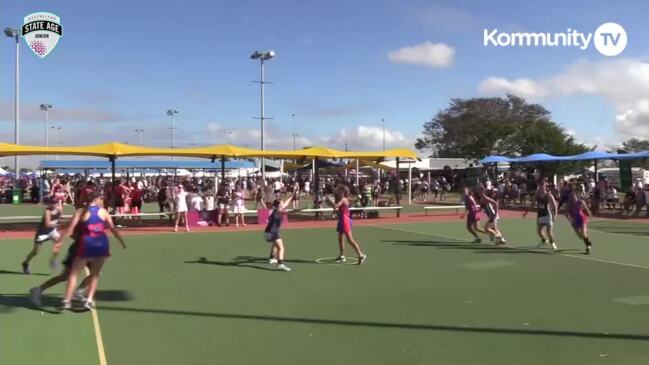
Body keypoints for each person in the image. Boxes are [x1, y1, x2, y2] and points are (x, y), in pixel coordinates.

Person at [60, 190, 126, 310]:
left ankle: (67, 300)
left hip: (87, 244)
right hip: (101, 244)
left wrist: (60, 241)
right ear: (96, 199)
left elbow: (70, 228)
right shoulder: (103, 212)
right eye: (101, 199)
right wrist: (122, 242)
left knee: (74, 273)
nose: (102, 201)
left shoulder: (81, 211)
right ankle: (89, 300)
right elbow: (113, 229)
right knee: (95, 274)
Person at [22, 197, 62, 274]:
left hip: (52, 231)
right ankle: (25, 263)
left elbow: (58, 219)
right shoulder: (47, 211)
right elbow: (47, 224)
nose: (53, 204)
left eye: (55, 202)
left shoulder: (59, 209)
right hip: (42, 234)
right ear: (49, 203)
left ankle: (53, 260)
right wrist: (59, 225)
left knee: (59, 242)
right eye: (52, 202)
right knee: (36, 251)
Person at [333, 185, 367, 264]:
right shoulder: (344, 199)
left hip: (345, 220)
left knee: (350, 240)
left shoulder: (343, 199)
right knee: (340, 238)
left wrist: (329, 201)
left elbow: (336, 206)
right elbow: (350, 201)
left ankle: (361, 255)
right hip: (342, 219)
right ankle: (342, 255)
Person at [264, 195, 294, 271]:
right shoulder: (278, 211)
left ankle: (271, 258)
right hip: (272, 233)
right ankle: (280, 264)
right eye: (282, 203)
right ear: (279, 205)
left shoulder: (276, 209)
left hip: (267, 233)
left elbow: (286, 204)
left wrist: (292, 196)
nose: (283, 204)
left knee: (275, 244)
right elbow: (290, 212)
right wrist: (300, 210)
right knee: (281, 248)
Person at [525, 181, 558, 250]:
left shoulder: (548, 195)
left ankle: (552, 243)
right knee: (539, 231)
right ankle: (544, 240)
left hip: (547, 215)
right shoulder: (537, 195)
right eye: (539, 185)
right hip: (540, 215)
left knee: (549, 232)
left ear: (545, 186)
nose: (540, 187)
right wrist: (526, 212)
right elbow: (532, 204)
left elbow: (555, 205)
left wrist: (555, 214)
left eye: (542, 185)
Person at [566, 189, 593, 255]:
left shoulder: (580, 202)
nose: (572, 197)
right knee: (580, 236)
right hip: (575, 221)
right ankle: (588, 240)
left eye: (574, 196)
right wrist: (570, 219)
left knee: (583, 234)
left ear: (576, 196)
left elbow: (587, 209)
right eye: (571, 196)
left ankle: (588, 248)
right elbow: (566, 213)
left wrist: (589, 214)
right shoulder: (569, 204)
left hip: (582, 219)